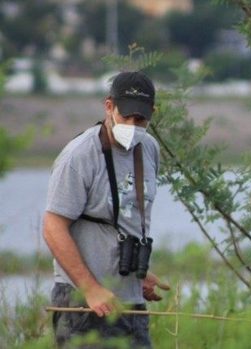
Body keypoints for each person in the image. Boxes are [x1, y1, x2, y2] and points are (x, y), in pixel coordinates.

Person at [43, 71, 170, 348]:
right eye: (127, 117)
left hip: (130, 302)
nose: (134, 125)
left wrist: (138, 273)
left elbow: (127, 218)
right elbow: (53, 227)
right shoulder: (79, 155)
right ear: (109, 107)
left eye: (141, 119)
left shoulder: (149, 149)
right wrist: (90, 289)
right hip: (83, 303)